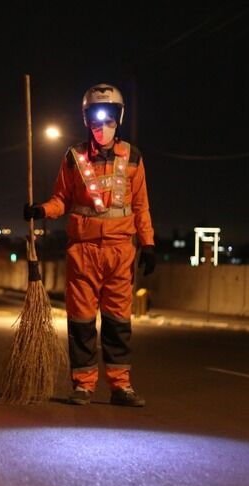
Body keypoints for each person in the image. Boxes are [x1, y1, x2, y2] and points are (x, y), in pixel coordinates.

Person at [23, 83, 156, 406]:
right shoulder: (73, 158)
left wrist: (148, 244)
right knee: (81, 321)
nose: (102, 127)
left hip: (120, 250)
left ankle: (120, 386)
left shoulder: (134, 158)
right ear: (86, 121)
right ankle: (83, 385)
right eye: (96, 121)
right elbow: (61, 200)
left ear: (118, 119)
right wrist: (42, 210)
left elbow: (141, 206)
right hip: (82, 251)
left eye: (109, 119)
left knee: (117, 321)